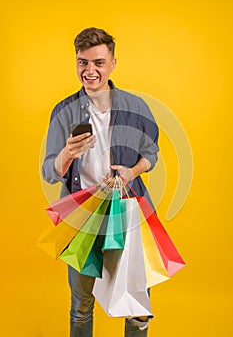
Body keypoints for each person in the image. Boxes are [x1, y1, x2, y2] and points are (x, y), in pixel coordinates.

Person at [42, 27, 159, 337]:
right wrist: (67, 154)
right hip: (82, 218)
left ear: (113, 63)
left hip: (128, 215)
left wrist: (132, 172)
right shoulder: (64, 111)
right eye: (82, 62)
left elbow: (151, 153)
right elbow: (49, 172)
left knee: (135, 306)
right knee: (81, 306)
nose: (89, 71)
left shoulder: (136, 108)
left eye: (98, 62)